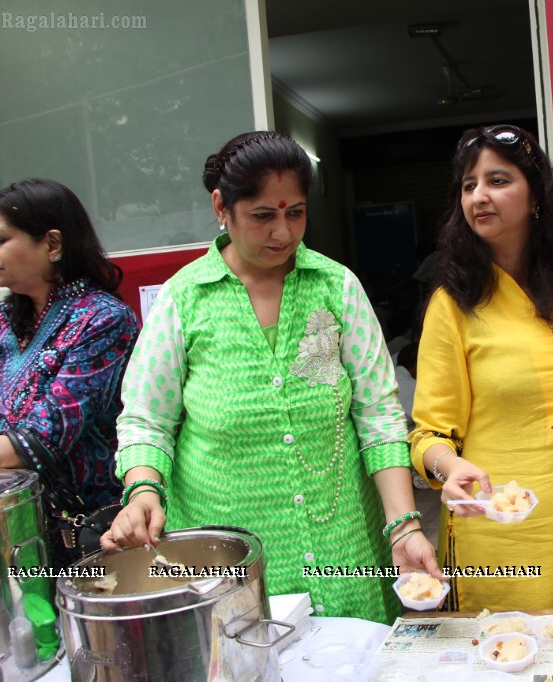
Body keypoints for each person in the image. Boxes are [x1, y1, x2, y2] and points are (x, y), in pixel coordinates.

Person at [100, 131, 441, 624]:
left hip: (342, 543)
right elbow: (147, 422)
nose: (283, 233)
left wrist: (403, 524)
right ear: (222, 206)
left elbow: (378, 416)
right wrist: (144, 491)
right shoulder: (184, 299)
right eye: (263, 215)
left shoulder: (336, 288)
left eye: (295, 212)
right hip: (230, 558)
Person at [409, 124, 553, 612]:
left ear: (536, 193)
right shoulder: (453, 303)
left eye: (498, 180)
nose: (479, 196)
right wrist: (447, 466)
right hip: (504, 533)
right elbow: (428, 433)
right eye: (469, 185)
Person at [0, 179, 139, 567]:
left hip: (90, 534)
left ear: (53, 244)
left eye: (1, 239)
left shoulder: (104, 319)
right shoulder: (3, 321)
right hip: (16, 526)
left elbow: (44, 439)